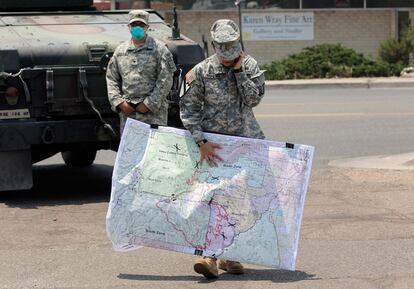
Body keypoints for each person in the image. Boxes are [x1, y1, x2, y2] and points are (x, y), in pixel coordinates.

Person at [180, 19, 266, 279]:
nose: (228, 56)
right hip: (213, 147)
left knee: (239, 201)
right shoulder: (201, 72)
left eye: (232, 49)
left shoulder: (250, 66)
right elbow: (188, 109)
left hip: (244, 143)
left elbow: (254, 99)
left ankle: (230, 255)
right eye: (223, 50)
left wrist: (239, 72)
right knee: (212, 200)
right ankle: (209, 257)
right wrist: (200, 142)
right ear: (215, 46)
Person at [106, 10, 176, 133]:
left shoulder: (160, 49)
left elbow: (166, 79)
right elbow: (111, 78)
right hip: (128, 113)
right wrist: (119, 103)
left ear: (147, 27)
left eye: (141, 25)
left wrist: (149, 104)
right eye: (134, 25)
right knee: (130, 150)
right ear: (129, 26)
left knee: (153, 150)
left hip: (154, 114)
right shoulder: (120, 51)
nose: (137, 28)